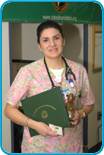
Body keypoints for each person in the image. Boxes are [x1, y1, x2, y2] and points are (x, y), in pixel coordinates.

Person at [4, 20, 95, 153]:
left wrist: (80, 113)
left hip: (71, 145)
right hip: (38, 147)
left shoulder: (78, 70)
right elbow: (9, 110)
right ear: (39, 46)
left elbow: (89, 103)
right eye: (46, 40)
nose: (52, 44)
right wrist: (33, 124)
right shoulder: (28, 72)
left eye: (56, 38)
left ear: (63, 41)